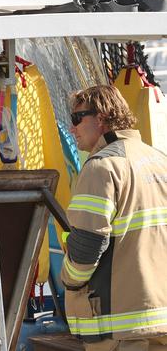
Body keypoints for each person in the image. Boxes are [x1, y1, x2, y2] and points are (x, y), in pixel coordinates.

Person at [61, 85, 167, 351]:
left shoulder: (102, 167)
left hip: (120, 326)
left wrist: (69, 280)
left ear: (101, 117)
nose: (72, 128)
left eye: (77, 119)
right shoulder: (159, 160)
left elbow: (87, 247)